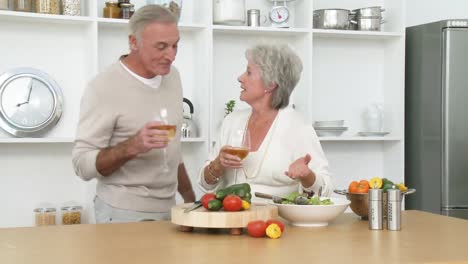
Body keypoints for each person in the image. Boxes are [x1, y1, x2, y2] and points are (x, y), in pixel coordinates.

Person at [72, 5, 195, 223]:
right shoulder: (103, 87)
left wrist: (190, 199)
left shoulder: (172, 77)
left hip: (170, 209)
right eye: (161, 47)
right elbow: (82, 164)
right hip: (122, 212)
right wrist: (133, 146)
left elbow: (174, 149)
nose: (171, 55)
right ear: (133, 42)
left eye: (175, 45)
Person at [198, 43, 332, 201]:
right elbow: (205, 184)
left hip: (275, 223)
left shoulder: (298, 127)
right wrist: (217, 165)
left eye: (249, 73)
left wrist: (307, 176)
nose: (240, 78)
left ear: (270, 84)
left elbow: (325, 190)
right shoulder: (232, 121)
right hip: (228, 219)